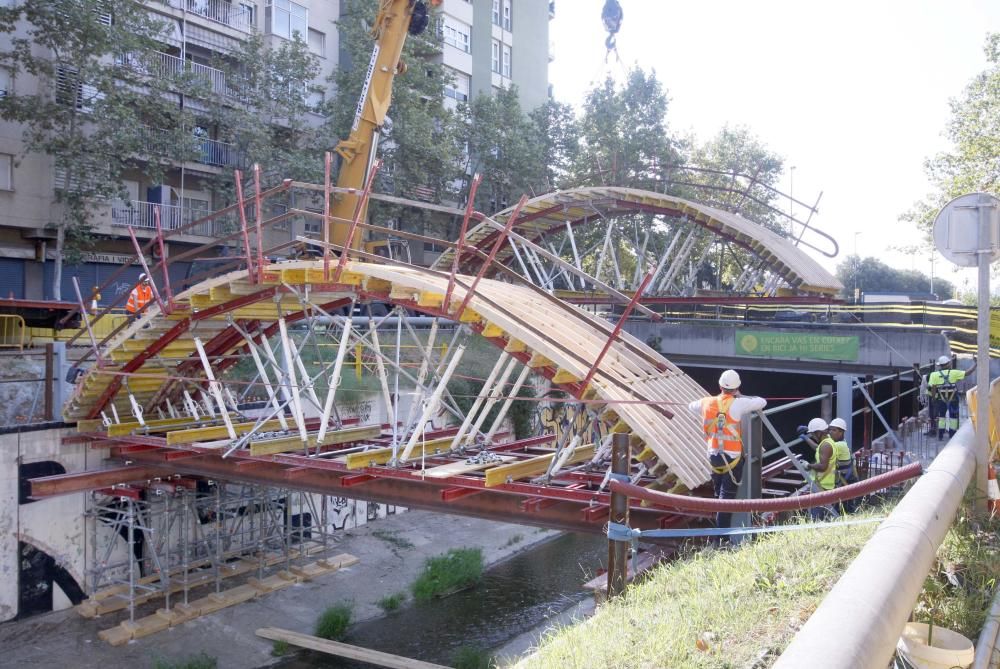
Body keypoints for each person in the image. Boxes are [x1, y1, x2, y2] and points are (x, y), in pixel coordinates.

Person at [688, 369, 766, 531]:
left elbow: (691, 406)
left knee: (720, 495)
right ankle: (722, 537)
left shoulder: (705, 402)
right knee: (727, 499)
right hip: (733, 459)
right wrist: (741, 397)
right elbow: (762, 401)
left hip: (714, 456)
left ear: (720, 385)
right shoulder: (738, 404)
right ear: (737, 387)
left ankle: (720, 529)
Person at [927, 355, 975, 440]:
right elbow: (968, 372)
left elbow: (933, 388)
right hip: (953, 399)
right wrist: (976, 364)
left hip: (941, 399)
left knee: (941, 417)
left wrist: (934, 399)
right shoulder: (954, 373)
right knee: (953, 417)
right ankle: (952, 435)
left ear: (940, 365)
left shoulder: (933, 375)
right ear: (948, 364)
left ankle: (940, 435)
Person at [800, 417, 837, 519]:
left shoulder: (825, 446)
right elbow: (818, 449)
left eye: (812, 434)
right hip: (825, 485)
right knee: (825, 515)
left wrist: (808, 465)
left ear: (818, 432)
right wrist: (807, 439)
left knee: (816, 516)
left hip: (822, 487)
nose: (812, 436)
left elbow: (822, 467)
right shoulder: (827, 441)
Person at [828, 417, 858, 512]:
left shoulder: (839, 445)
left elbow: (821, 448)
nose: (830, 432)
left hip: (845, 481)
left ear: (841, 432)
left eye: (834, 430)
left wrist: (807, 439)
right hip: (846, 479)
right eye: (830, 429)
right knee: (844, 505)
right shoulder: (841, 441)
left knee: (845, 506)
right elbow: (826, 438)